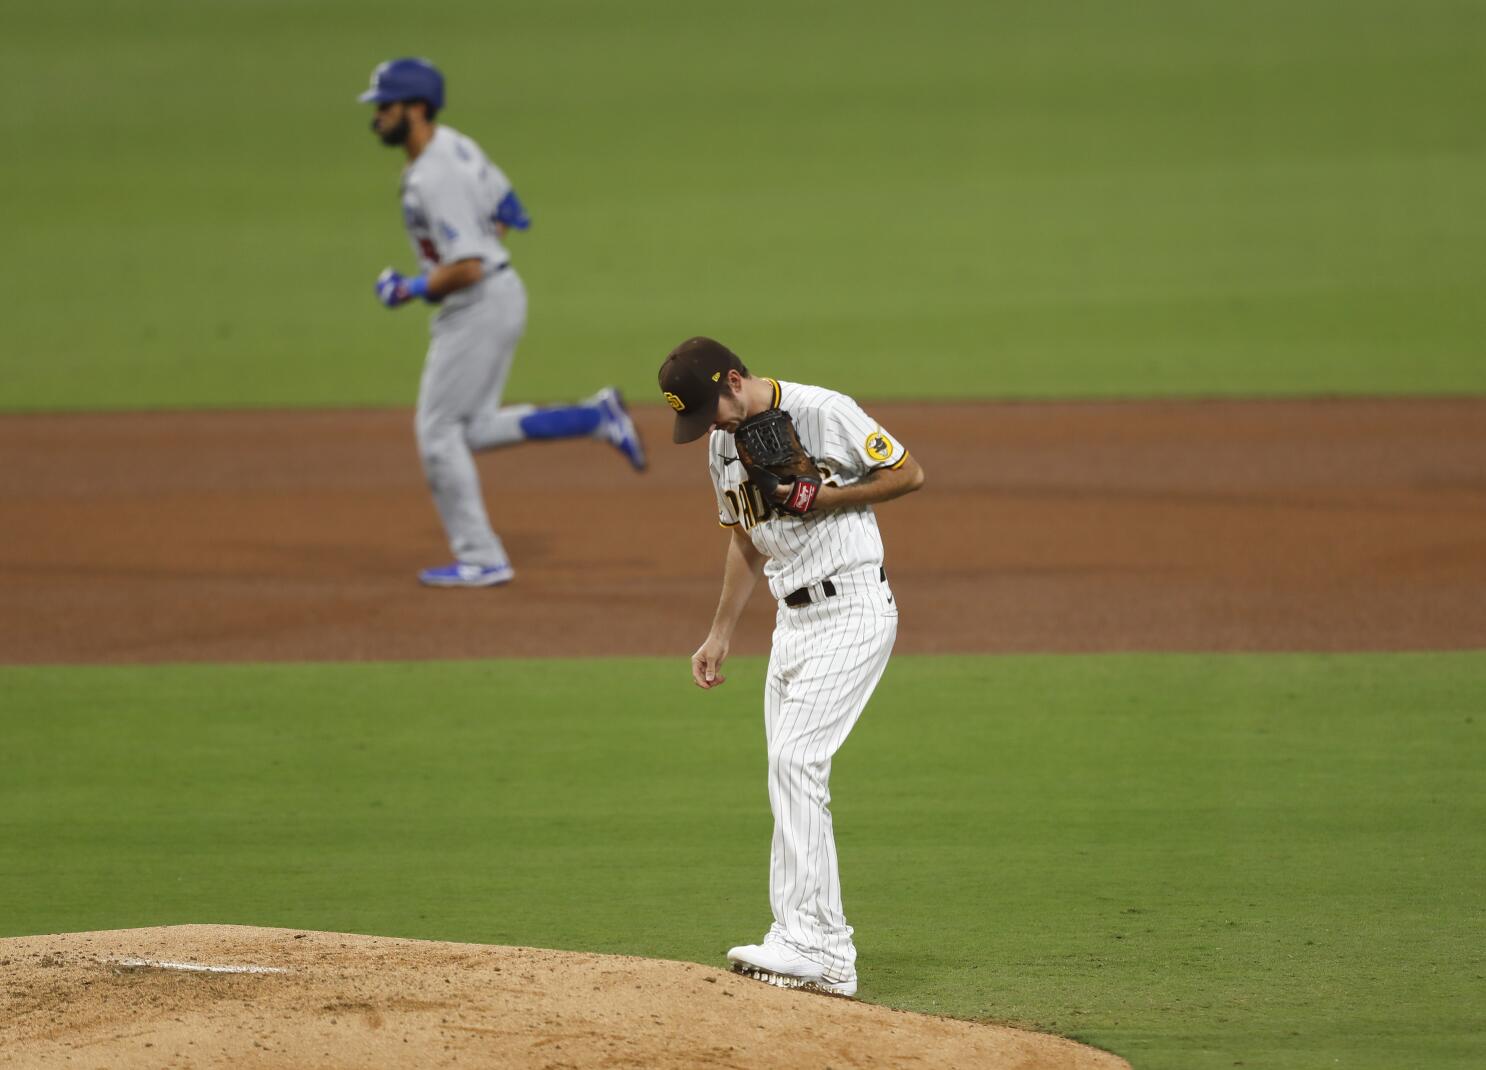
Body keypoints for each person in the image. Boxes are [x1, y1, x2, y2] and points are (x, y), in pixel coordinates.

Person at [659, 336, 925, 997]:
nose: (710, 427)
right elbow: (746, 536)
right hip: (793, 623)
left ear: (735, 379)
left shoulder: (823, 410)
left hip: (854, 606)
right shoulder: (722, 446)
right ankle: (803, 941)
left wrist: (821, 497)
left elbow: (908, 473)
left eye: (709, 410)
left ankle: (821, 946)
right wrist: (720, 632)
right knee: (786, 772)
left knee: (797, 762)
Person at [360, 58, 646, 588]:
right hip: (496, 296)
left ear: (417, 108)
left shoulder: (434, 174)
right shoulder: (455, 144)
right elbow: (511, 210)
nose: (376, 117)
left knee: (437, 432)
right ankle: (593, 417)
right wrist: (481, 252)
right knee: (469, 428)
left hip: (478, 302)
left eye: (386, 106)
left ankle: (481, 556)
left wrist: (411, 287)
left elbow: (467, 264)